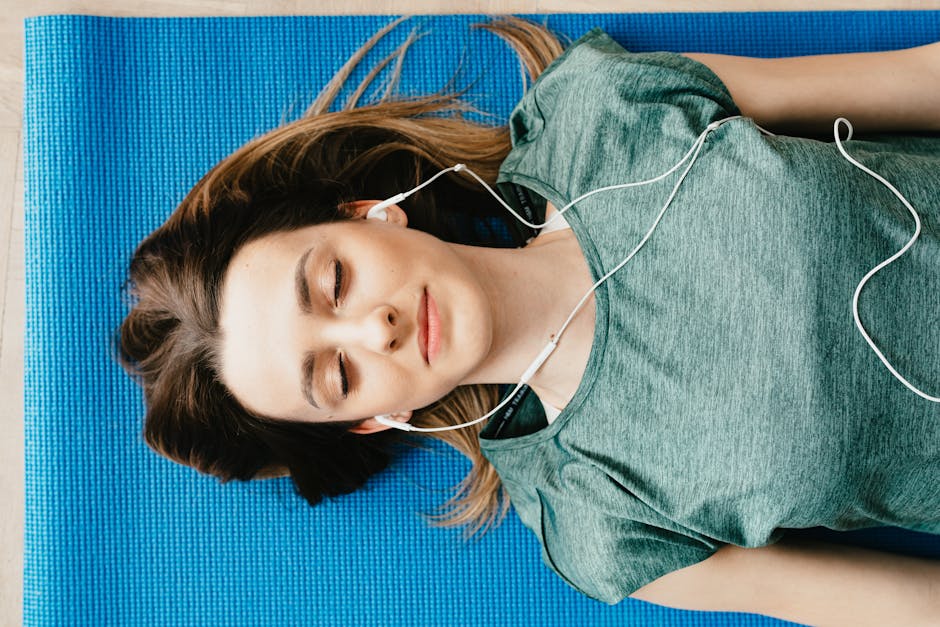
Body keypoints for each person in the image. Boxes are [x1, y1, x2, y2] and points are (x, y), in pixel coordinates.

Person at [117, 15, 940, 623]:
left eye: (333, 281)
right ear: (375, 419)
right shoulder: (594, 517)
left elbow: (914, 79)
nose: (375, 328)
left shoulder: (595, 114)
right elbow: (900, 602)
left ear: (371, 213)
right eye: (337, 374)